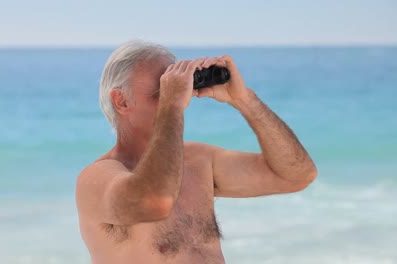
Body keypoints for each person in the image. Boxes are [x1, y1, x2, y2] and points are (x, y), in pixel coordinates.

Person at [75, 40, 317, 264]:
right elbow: (155, 201)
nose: (177, 95)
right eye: (162, 89)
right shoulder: (97, 179)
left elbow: (297, 175)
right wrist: (172, 104)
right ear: (121, 101)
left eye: (177, 86)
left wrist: (245, 100)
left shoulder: (197, 160)